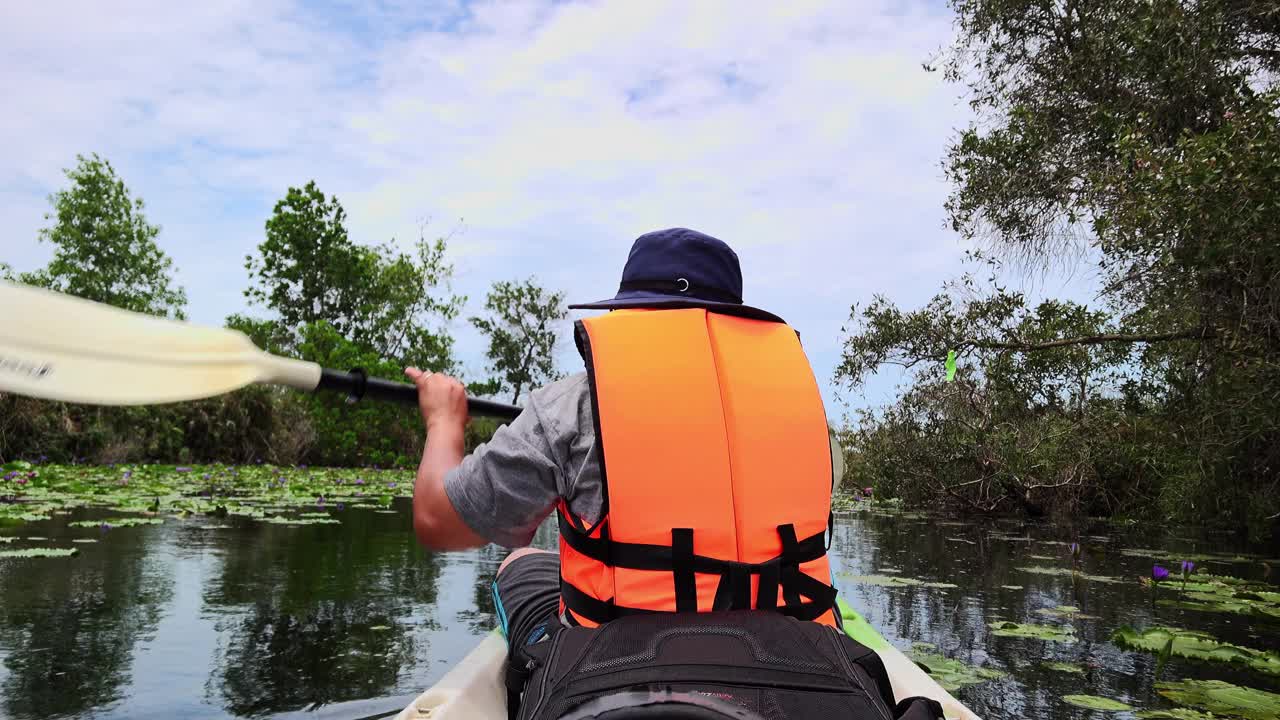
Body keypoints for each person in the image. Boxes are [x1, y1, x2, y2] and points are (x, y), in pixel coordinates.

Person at [405, 228, 943, 720]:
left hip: (609, 675)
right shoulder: (806, 419)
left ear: (630, 311)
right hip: (802, 670)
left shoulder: (571, 407)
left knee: (523, 559)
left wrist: (444, 422)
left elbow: (439, 520)